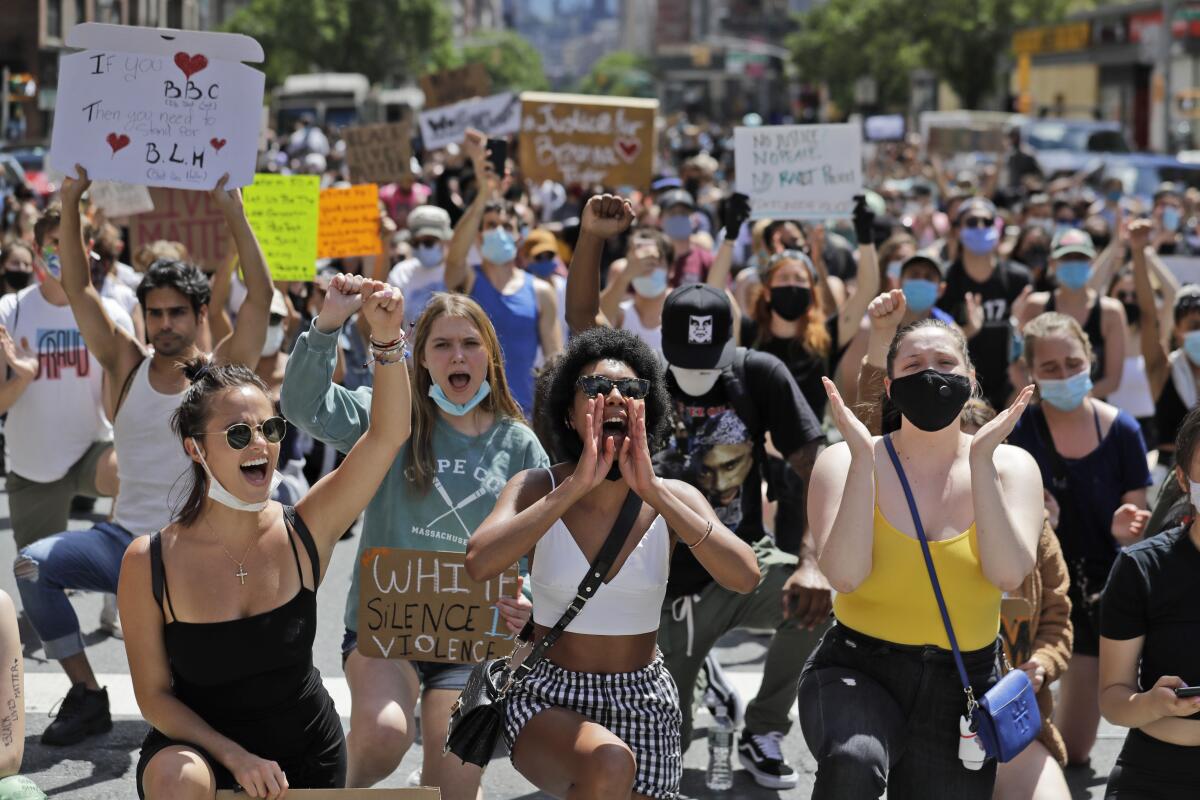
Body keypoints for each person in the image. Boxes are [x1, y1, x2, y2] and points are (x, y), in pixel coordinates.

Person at [120, 276, 410, 799]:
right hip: (200, 753)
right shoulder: (149, 560)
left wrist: (386, 338)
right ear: (194, 449)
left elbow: (388, 434)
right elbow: (155, 698)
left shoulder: (307, 527)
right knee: (176, 779)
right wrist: (235, 756)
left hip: (305, 754)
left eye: (269, 430)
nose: (259, 444)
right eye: (237, 434)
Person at [14, 166, 272, 746]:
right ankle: (86, 695)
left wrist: (233, 208)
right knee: (31, 564)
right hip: (124, 546)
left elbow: (261, 295)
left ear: (200, 314)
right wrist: (74, 200)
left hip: (197, 556)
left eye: (177, 312)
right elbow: (79, 290)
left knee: (203, 690)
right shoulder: (125, 363)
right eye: (154, 313)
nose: (164, 324)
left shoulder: (222, 378)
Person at [465, 326, 760, 800]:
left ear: (650, 407)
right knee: (608, 761)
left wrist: (655, 492)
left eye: (631, 389)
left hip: (645, 698)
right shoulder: (537, 486)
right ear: (569, 411)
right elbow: (479, 562)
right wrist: (576, 486)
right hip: (549, 694)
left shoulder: (674, 496)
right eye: (596, 388)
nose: (615, 397)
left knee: (611, 768)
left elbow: (745, 576)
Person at [281, 288, 546, 797]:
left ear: (489, 354)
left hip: (473, 637)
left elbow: (537, 547)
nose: (458, 356)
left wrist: (526, 597)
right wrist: (329, 323)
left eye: (470, 343)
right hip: (386, 630)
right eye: (442, 345)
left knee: (451, 787)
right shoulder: (385, 415)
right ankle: (331, 788)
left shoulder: (519, 443)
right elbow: (300, 405)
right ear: (421, 357)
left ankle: (433, 775)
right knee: (383, 736)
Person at [801, 318, 1043, 798]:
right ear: (890, 387)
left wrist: (979, 463)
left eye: (945, 363)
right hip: (859, 666)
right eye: (913, 365)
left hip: (963, 681)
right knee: (854, 761)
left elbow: (1008, 573)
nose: (931, 375)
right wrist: (865, 464)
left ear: (971, 379)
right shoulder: (843, 460)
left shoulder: (1011, 466)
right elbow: (845, 577)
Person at [852, 292, 1073, 800]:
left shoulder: (1030, 527)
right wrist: (881, 339)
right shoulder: (891, 488)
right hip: (903, 691)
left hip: (995, 711)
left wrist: (1039, 666)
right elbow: (864, 435)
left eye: (977, 448)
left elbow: (1059, 617)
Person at [1006, 312, 1152, 766]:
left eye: (1072, 363)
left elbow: (1137, 516)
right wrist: (1030, 517)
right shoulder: (1015, 429)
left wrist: (1124, 529)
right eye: (1049, 368)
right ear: (1030, 373)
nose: (1064, 375)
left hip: (1093, 596)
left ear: (1089, 359)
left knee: (1073, 751)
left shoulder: (1124, 430)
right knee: (1013, 742)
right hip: (1028, 590)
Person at [0, 207, 132, 551]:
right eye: (54, 242)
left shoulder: (112, 316)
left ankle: (117, 554)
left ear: (88, 247)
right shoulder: (9, 312)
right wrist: (24, 378)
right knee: (36, 582)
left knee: (139, 471)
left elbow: (117, 411)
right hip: (34, 465)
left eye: (71, 241)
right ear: (36, 247)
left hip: (93, 451)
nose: (62, 251)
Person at [1099, 404, 1200, 799]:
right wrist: (1153, 704)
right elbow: (1113, 698)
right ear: (1182, 479)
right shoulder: (1140, 567)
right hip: (1157, 771)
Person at [444, 131, 562, 417]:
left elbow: (555, 362)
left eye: (506, 226)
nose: (499, 231)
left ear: (519, 236)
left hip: (524, 418)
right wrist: (485, 193)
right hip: (468, 417)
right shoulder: (467, 280)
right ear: (478, 237)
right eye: (491, 225)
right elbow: (455, 256)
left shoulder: (541, 292)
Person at [742, 195, 881, 420]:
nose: (791, 285)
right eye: (783, 278)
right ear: (767, 291)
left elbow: (866, 289)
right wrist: (730, 238)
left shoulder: (827, 337)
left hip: (813, 451)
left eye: (799, 278)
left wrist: (865, 235)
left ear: (812, 291)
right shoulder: (749, 335)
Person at [937, 197, 1033, 411]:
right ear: (957, 231)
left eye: (987, 222)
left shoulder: (1018, 278)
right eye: (972, 222)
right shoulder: (944, 280)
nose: (980, 227)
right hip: (958, 394)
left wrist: (1017, 324)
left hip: (1011, 393)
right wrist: (968, 330)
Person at [1017, 229, 1127, 400]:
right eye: (1067, 258)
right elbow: (1021, 364)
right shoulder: (1035, 306)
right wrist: (1045, 401)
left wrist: (1075, 403)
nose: (1074, 263)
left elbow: (1113, 379)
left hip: (1091, 412)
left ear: (1092, 262)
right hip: (1043, 408)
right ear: (1052, 263)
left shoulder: (1111, 311)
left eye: (1081, 258)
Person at [386, 204, 453, 329]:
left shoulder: (459, 271)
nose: (422, 248)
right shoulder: (401, 272)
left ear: (445, 240)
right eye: (416, 243)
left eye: (428, 242)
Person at [658, 189, 714, 287]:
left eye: (684, 213)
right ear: (660, 220)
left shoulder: (707, 260)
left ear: (695, 220)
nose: (679, 217)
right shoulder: (651, 258)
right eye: (673, 213)